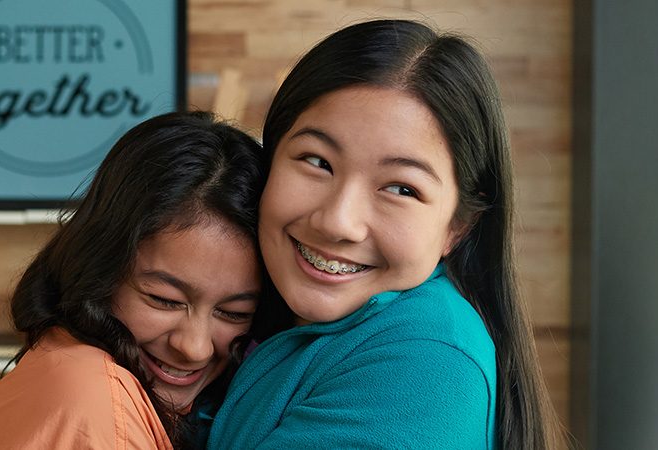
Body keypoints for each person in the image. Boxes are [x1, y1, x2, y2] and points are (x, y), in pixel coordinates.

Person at [208, 19, 559, 449]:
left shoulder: (428, 364)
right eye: (317, 162)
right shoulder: (251, 306)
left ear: (458, 225)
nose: (337, 221)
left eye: (401, 188)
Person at [0, 112, 292, 449]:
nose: (194, 347)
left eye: (234, 313)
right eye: (165, 299)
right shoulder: (95, 405)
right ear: (100, 267)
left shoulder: (77, 370)